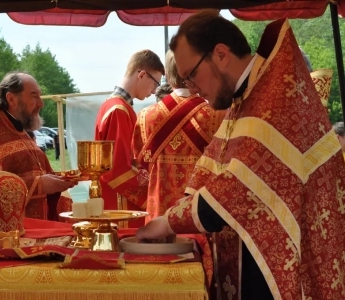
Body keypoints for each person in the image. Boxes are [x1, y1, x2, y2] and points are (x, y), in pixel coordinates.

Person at [136, 10, 345, 299]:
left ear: (221, 54)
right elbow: (210, 169)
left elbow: (235, 189)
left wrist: (166, 222)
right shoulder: (248, 95)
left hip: (285, 268)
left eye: (192, 76)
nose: (193, 90)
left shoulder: (276, 100)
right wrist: (175, 213)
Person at [0, 71, 77, 221]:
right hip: (4, 237)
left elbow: (36, 173)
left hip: (36, 229)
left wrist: (58, 181)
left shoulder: (20, 132)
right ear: (11, 99)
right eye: (34, 95)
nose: (41, 103)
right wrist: (39, 185)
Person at [132, 50, 226, 224]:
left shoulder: (146, 117)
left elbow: (140, 165)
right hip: (199, 217)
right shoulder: (218, 115)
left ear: (167, 76)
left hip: (158, 218)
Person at [95, 49, 164, 227]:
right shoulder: (119, 110)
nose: (155, 91)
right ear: (141, 75)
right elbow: (118, 169)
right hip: (120, 204)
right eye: (155, 83)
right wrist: (154, 187)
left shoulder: (112, 105)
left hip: (114, 197)